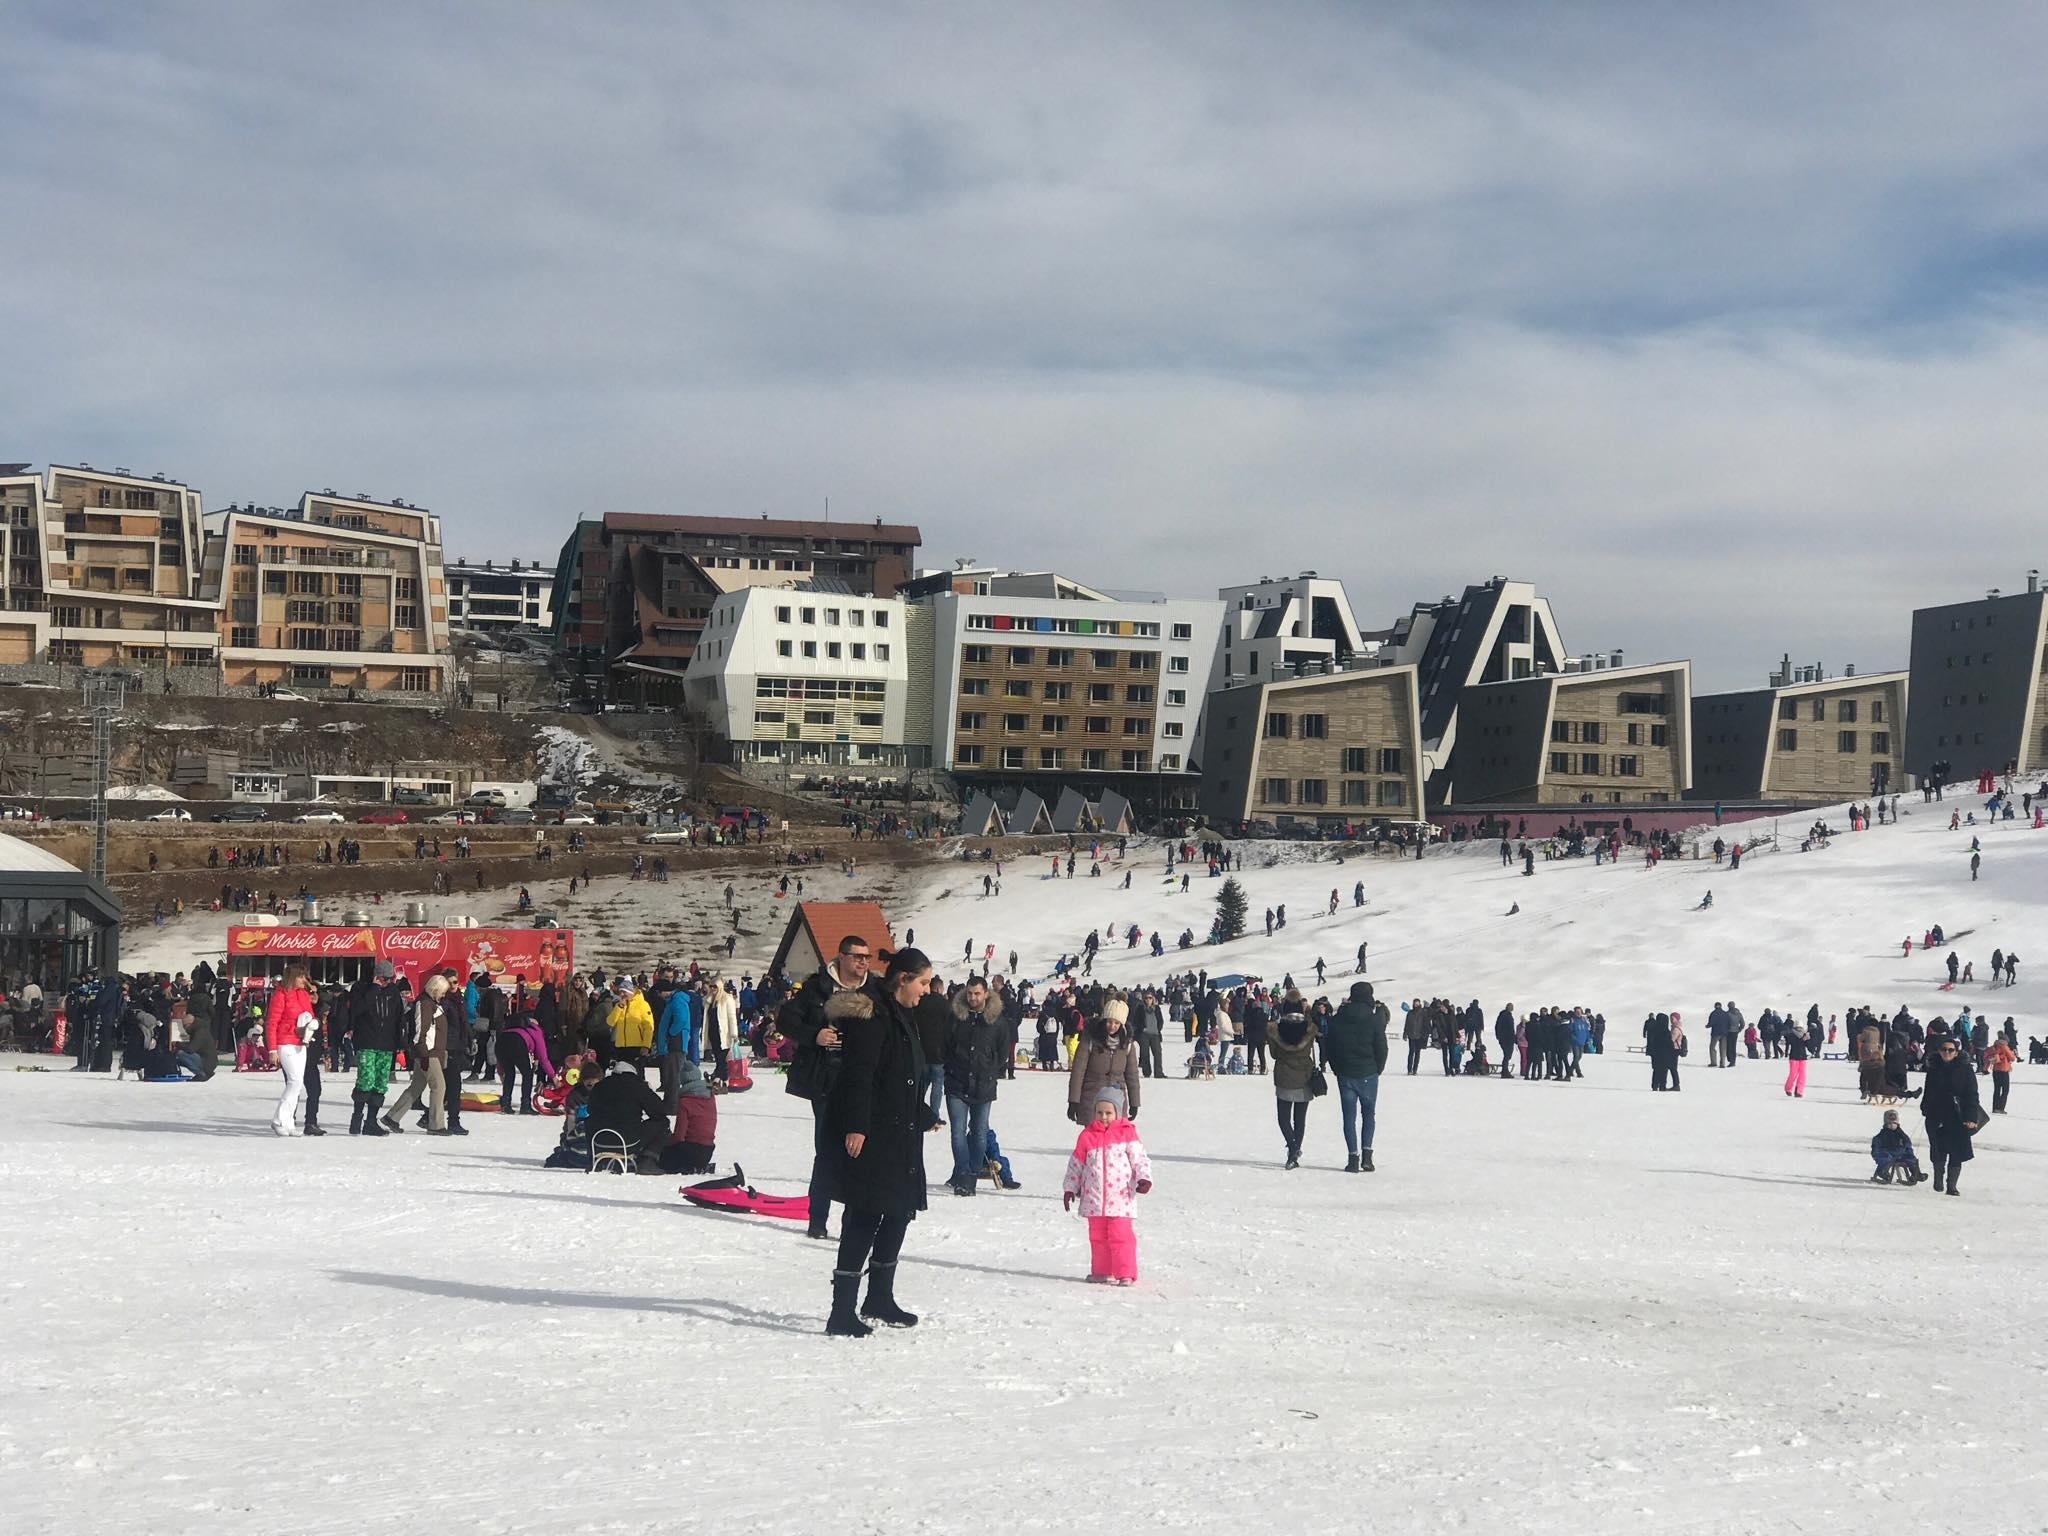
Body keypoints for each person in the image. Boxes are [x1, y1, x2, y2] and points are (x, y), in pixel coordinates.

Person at [823, 949, 940, 1338]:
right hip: (874, 1135)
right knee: (865, 1216)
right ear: (903, 978)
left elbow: (901, 1076)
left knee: (898, 1213)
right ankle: (842, 1311)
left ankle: (879, 1298)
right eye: (922, 982)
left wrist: (921, 1114)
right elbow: (861, 1076)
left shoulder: (903, 1015)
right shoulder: (873, 1015)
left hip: (900, 1133)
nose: (926, 991)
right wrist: (856, 1126)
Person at [782, 933, 881, 1241]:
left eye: (867, 957)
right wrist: (814, 1035)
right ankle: (818, 1219)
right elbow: (786, 1020)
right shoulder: (817, 987)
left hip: (863, 1080)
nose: (863, 962)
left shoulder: (876, 991)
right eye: (858, 957)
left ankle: (853, 1221)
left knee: (860, 1152)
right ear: (841, 957)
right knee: (826, 1151)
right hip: (825, 1079)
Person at [1060, 1083, 1153, 1285]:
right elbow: (1076, 1165)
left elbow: (1140, 1159)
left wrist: (1144, 1178)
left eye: (1109, 1113)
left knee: (1121, 1236)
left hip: (1120, 1198)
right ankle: (1102, 1271)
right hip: (1094, 1200)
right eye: (1100, 1112)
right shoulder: (1087, 1136)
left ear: (1118, 1113)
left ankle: (1125, 1273)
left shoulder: (1127, 1134)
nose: (1104, 1117)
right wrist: (1070, 1188)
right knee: (1098, 1238)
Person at [943, 977, 1006, 1196]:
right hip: (957, 1083)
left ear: (986, 993)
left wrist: (989, 1069)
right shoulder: (956, 1016)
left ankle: (971, 1174)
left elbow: (1002, 1051)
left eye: (977, 993)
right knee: (957, 1132)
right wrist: (951, 1067)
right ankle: (962, 1174)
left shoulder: (997, 1021)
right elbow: (946, 1045)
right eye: (970, 993)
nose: (973, 998)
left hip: (984, 1085)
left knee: (979, 1132)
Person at [1323, 982, 1388, 1173]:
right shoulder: (1375, 1018)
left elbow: (1330, 1047)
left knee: (1348, 1118)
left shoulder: (1338, 1018)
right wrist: (1378, 1068)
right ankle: (1367, 1157)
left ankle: (1353, 1158)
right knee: (1368, 1115)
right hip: (1368, 1071)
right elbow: (1381, 1047)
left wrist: (1336, 1068)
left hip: (1345, 1073)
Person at [383, 974, 452, 1135]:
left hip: (429, 1052)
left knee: (416, 1087)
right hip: (428, 1053)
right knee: (439, 1086)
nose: (443, 995)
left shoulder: (432, 1003)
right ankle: (436, 1124)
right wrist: (423, 1054)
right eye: (442, 991)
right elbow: (421, 1030)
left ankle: (392, 1117)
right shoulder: (425, 1004)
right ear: (435, 989)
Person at [1920, 1035, 1984, 1196]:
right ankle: (1938, 1178)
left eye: (1951, 1050)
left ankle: (1952, 1186)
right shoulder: (1933, 1067)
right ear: (1939, 1051)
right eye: (1944, 1049)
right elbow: (1928, 1090)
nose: (1947, 1052)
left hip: (1958, 1115)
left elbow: (1972, 1094)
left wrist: (1970, 1117)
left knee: (1957, 1151)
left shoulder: (1965, 1069)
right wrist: (1925, 1108)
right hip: (1936, 1114)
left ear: (1956, 1052)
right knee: (1938, 1149)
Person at [347, 961, 405, 1135]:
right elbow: (357, 1010)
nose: (387, 982)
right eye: (384, 979)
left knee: (380, 1083)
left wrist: (400, 1042)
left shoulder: (393, 991)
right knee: (366, 1080)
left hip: (386, 1044)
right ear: (376, 976)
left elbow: (399, 1017)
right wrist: (373, 989)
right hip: (366, 1041)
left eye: (390, 979)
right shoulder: (360, 988)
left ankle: (371, 1121)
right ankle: (357, 1117)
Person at [1067, 997, 1142, 1126]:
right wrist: (1074, 1101)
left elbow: (1132, 1075)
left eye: (1116, 1023)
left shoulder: (1127, 1044)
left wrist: (1135, 1102)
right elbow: (1078, 1071)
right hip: (1092, 1095)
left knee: (1114, 1138)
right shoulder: (1090, 1039)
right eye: (1109, 1022)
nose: (1112, 1026)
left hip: (1117, 1096)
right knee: (1093, 1135)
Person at [1267, 989, 1320, 1169]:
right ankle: (1294, 1154)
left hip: (1284, 1075)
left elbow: (1274, 1054)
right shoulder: (1309, 1028)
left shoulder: (1275, 1029)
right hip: (1304, 1075)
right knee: (1300, 1118)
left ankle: (1292, 1147)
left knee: (1283, 1117)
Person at [264, 967, 316, 1137]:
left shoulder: (303, 994)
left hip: (301, 1042)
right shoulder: (280, 995)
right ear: (293, 977)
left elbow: (309, 1015)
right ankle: (278, 1120)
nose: (304, 980)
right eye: (301, 977)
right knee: (294, 1081)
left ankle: (288, 1122)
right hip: (285, 1042)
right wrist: (272, 1049)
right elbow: (272, 1022)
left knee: (298, 1083)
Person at [1869, 1110, 1926, 1184]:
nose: (1892, 1126)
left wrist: (1909, 1154)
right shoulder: (1881, 1136)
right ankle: (1883, 1172)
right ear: (1885, 1124)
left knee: (1911, 1159)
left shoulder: (1902, 1136)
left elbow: (1908, 1146)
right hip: (1888, 1154)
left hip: (1901, 1155)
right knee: (1885, 1158)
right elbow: (1876, 1149)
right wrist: (1877, 1155)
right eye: (1889, 1124)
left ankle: (1916, 1174)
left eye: (1894, 1124)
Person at [1986, 1034, 2015, 1114]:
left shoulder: (1994, 1046)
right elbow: (2012, 1058)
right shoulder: (2004, 1047)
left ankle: (1995, 1107)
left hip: (1995, 1070)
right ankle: (2000, 1108)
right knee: (2005, 1090)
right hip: (2004, 1070)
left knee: (1997, 1089)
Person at [1782, 1023, 1810, 1098]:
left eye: (1801, 1027)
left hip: (1803, 1057)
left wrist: (1808, 1040)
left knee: (1802, 1075)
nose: (1799, 1029)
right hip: (1794, 1056)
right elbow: (1794, 1043)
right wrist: (1802, 1039)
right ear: (1795, 1027)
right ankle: (1788, 1088)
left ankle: (1799, 1091)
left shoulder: (1804, 1035)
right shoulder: (1792, 1035)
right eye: (1798, 1027)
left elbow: (1809, 1046)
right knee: (1793, 1074)